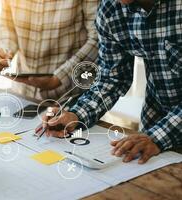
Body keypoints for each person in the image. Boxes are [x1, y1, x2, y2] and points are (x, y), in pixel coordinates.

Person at [42, 0, 182, 164]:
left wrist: (158, 136)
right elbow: (112, 77)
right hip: (155, 129)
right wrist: (77, 114)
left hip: (160, 133)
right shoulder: (111, 9)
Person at [0, 0, 99, 100]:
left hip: (69, 97)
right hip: (22, 94)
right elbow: (7, 25)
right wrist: (5, 53)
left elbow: (98, 38)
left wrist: (60, 78)